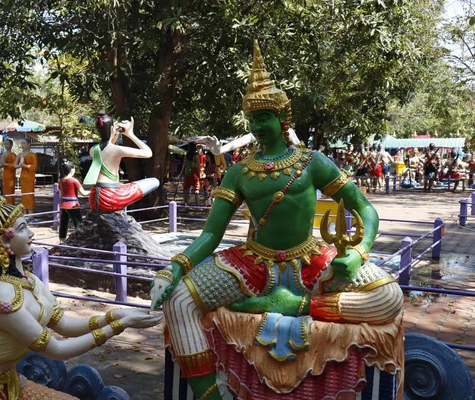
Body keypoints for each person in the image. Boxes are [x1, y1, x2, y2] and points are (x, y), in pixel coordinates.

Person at [150, 41, 402, 400]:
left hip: (310, 260)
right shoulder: (238, 172)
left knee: (389, 298)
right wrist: (175, 267)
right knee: (179, 302)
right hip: (251, 263)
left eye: (264, 117)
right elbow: (211, 234)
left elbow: (365, 209)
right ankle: (210, 396)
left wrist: (359, 252)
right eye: (253, 119)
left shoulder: (312, 162)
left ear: (282, 119)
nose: (257, 125)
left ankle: (292, 304)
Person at [0, 187, 162, 399]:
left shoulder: (29, 280)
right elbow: (57, 350)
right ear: (4, 239)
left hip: (9, 379)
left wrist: (116, 315)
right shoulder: (1, 297)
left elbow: (64, 324)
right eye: (23, 228)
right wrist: (120, 326)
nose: (32, 233)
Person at [83, 111, 158, 212]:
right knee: (154, 181)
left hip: (94, 197)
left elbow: (107, 149)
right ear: (111, 129)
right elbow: (148, 153)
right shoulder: (116, 150)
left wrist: (113, 137)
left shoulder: (93, 150)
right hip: (111, 198)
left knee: (124, 186)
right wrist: (130, 134)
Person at [59, 160, 89, 242]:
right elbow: (84, 193)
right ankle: (80, 240)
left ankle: (62, 240)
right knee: (78, 223)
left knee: (63, 223)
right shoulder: (74, 181)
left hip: (63, 204)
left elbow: (60, 194)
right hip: (73, 204)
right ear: (72, 170)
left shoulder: (61, 181)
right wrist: (93, 192)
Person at [15, 139, 38, 214]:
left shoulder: (32, 155)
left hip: (30, 176)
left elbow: (34, 167)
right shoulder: (19, 155)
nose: (22, 145)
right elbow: (15, 165)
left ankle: (30, 211)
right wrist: (19, 166)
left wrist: (25, 165)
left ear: (28, 145)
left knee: (30, 194)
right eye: (21, 143)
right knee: (24, 194)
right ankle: (24, 211)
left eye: (24, 143)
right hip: (23, 176)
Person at [0, 139, 17, 204]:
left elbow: (15, 165)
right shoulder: (3, 154)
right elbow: (0, 165)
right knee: (5, 191)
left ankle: (11, 205)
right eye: (5, 144)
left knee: (10, 191)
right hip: (5, 174)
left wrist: (5, 164)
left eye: (8, 144)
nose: (6, 146)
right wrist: (2, 164)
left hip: (11, 174)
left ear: (11, 145)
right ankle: (6, 205)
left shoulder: (13, 155)